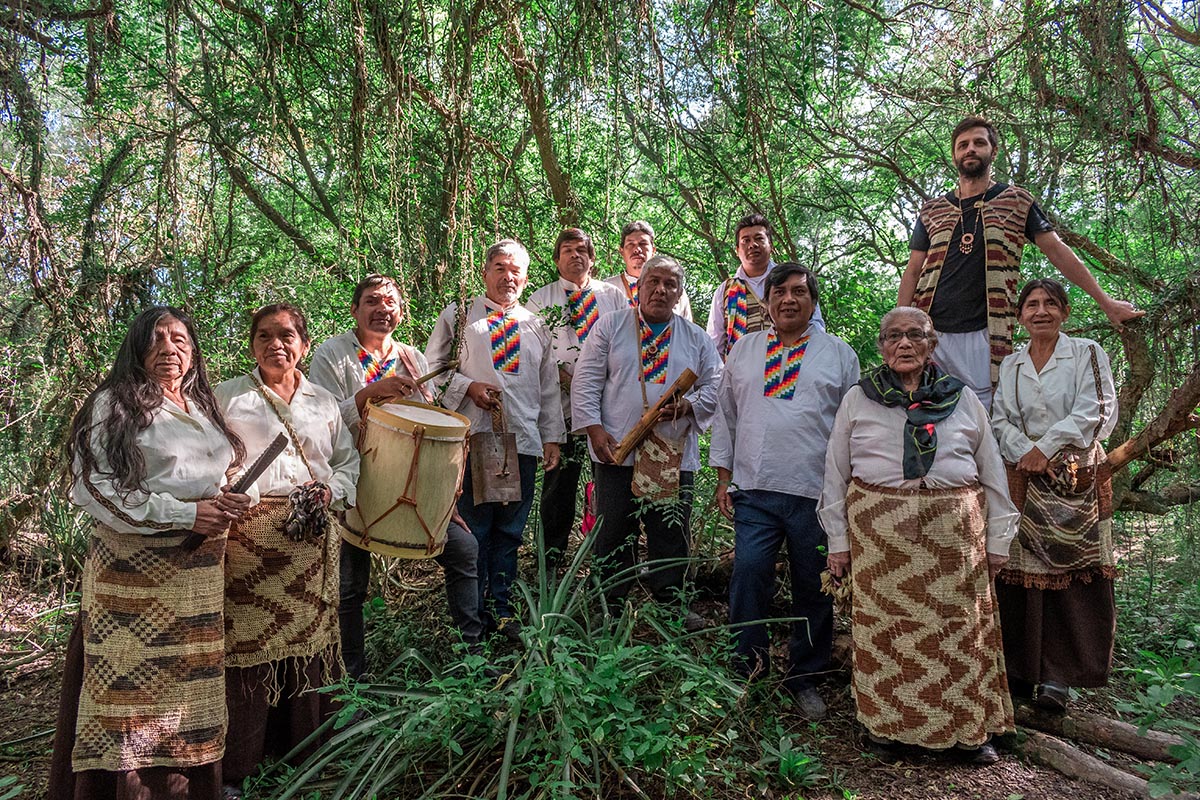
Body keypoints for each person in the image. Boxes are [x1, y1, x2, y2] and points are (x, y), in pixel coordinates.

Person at [49, 306, 253, 800]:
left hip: (197, 576)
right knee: (129, 690)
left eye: (180, 340)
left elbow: (214, 472)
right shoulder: (114, 404)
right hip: (132, 578)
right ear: (138, 349)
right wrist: (185, 514)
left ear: (193, 352)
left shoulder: (201, 405)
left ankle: (191, 787)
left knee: (189, 689)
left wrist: (228, 495)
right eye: (157, 339)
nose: (170, 349)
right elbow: (92, 487)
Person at [819, 306, 1017, 765]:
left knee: (961, 632)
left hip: (955, 542)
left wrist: (999, 540)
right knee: (887, 634)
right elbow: (834, 474)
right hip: (881, 541)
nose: (904, 344)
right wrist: (838, 541)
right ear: (882, 346)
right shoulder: (858, 398)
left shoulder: (962, 397)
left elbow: (992, 472)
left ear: (932, 344)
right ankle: (886, 727)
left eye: (915, 335)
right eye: (893, 336)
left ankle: (968, 731)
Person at [899, 115, 1142, 408]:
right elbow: (914, 270)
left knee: (985, 413)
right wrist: (901, 323)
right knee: (923, 408)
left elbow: (1057, 251)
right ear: (954, 155)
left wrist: (1107, 303)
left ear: (994, 151)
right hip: (932, 331)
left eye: (979, 142)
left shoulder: (1016, 200)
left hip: (986, 332)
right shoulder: (932, 210)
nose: (970, 149)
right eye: (962, 145)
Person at [215, 304, 360, 790]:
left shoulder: (323, 402)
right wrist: (240, 491)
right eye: (264, 336)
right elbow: (213, 464)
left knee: (310, 644)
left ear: (304, 342)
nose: (276, 345)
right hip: (247, 543)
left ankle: (304, 754)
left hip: (311, 539)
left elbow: (347, 464)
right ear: (251, 343)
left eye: (287, 335)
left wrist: (330, 491)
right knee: (248, 645)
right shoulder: (228, 398)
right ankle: (239, 766)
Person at [308, 274, 483, 677]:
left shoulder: (412, 359)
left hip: (411, 487)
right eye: (371, 301)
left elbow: (427, 432)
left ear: (401, 314)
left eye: (390, 303)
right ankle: (351, 675)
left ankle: (471, 660)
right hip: (352, 483)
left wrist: (446, 498)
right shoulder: (332, 355)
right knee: (350, 585)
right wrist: (368, 395)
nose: (381, 309)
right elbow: (318, 422)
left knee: (463, 550)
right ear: (354, 310)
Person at [710, 263, 859, 719]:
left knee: (813, 586)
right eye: (779, 292)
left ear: (813, 301)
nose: (788, 299)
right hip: (754, 486)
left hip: (816, 491)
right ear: (767, 302)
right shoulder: (746, 349)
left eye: (798, 291)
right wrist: (723, 477)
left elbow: (854, 426)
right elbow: (726, 414)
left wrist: (848, 491)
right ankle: (745, 668)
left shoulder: (838, 354)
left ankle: (804, 675)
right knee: (749, 573)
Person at [572, 254, 721, 629]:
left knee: (669, 531)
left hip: (671, 454)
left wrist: (689, 405)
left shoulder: (696, 338)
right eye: (653, 281)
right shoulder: (610, 326)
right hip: (616, 450)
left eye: (670, 284)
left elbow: (717, 386)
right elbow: (586, 380)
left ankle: (671, 607)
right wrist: (593, 427)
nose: (660, 289)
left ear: (679, 294)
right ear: (638, 287)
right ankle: (611, 605)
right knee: (613, 529)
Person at [426, 240, 564, 640]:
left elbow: (548, 385)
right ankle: (473, 617)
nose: (508, 277)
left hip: (520, 443)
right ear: (485, 272)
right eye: (500, 268)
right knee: (474, 531)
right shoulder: (459, 316)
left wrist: (552, 437)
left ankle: (501, 609)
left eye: (515, 270)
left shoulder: (535, 325)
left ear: (525, 277)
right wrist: (468, 388)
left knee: (510, 531)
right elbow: (432, 370)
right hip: (472, 441)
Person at [991, 279, 1118, 711]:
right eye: (1031, 305)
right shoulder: (1011, 364)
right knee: (1018, 574)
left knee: (1073, 573)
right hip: (1021, 478)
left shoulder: (1085, 352)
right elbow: (1000, 419)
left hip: (1077, 478)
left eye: (1049, 303)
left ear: (1064, 310)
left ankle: (1058, 678)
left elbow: (1098, 409)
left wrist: (1046, 448)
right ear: (1020, 315)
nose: (1040, 311)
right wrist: (1025, 451)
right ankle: (1021, 671)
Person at [526, 228, 626, 568]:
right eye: (567, 250)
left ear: (592, 258)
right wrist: (567, 379)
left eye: (582, 250)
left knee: (609, 483)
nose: (575, 256)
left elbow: (626, 343)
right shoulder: (540, 299)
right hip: (561, 406)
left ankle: (606, 561)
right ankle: (551, 562)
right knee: (559, 485)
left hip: (607, 407)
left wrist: (598, 383)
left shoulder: (612, 296)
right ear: (557, 259)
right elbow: (534, 351)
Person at [707, 213, 824, 358]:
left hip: (792, 368)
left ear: (771, 246)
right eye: (745, 240)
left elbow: (816, 327)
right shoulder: (725, 291)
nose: (752, 245)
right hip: (740, 375)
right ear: (737, 250)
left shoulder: (794, 280)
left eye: (759, 238)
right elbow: (714, 343)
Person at [607, 220, 693, 320]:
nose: (637, 250)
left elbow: (685, 328)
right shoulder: (607, 289)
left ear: (653, 251)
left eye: (643, 244)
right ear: (621, 251)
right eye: (631, 244)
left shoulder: (674, 291)